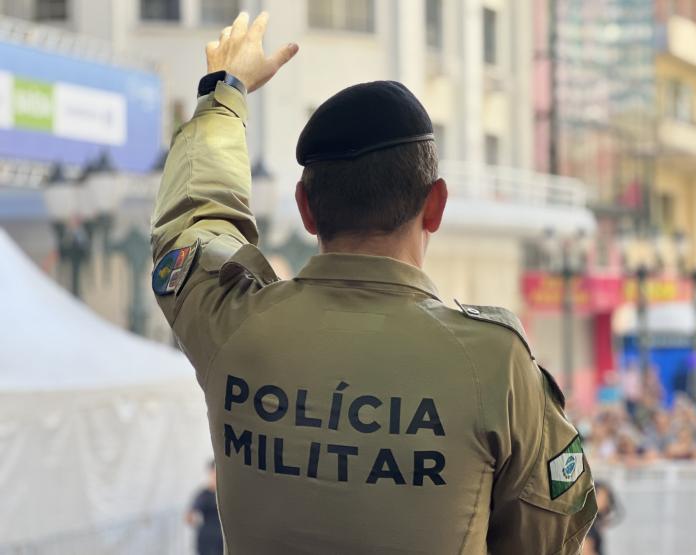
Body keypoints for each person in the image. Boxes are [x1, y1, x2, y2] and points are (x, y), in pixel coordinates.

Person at [149, 12, 596, 554]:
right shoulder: (494, 364)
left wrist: (225, 92)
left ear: (306, 209)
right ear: (436, 205)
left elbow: (193, 222)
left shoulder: (233, 326)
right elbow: (545, 536)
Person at [186, 461, 223, 555]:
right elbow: (190, 515)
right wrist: (192, 518)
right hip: (207, 542)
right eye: (214, 472)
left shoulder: (226, 494)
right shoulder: (203, 495)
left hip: (222, 542)